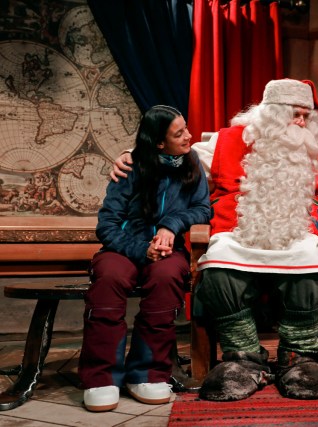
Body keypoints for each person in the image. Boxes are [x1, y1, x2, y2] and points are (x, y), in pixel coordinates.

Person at [109, 79, 318, 402]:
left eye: (306, 116)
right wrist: (131, 155)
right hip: (238, 234)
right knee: (217, 268)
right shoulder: (226, 141)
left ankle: (296, 357)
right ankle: (243, 357)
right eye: (294, 114)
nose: (301, 122)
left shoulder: (315, 153)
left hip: (295, 235)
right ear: (270, 113)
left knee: (311, 263)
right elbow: (174, 155)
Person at [79, 105, 211, 412]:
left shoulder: (192, 164)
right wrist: (141, 250)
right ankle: (101, 377)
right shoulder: (130, 167)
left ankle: (147, 372)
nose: (188, 136)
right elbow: (107, 225)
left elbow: (204, 209)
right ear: (159, 142)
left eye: (186, 128)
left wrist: (171, 224)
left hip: (167, 251)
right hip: (123, 248)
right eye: (179, 133)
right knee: (109, 278)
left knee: (166, 278)